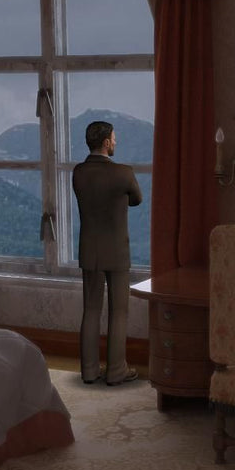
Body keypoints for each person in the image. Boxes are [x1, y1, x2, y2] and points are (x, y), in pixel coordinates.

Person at [72, 120, 143, 386]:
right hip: (117, 250)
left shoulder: (78, 172)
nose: (115, 142)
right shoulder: (123, 173)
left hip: (89, 249)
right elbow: (137, 199)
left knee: (90, 310)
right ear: (105, 143)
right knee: (119, 312)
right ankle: (116, 370)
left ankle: (89, 371)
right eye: (113, 138)